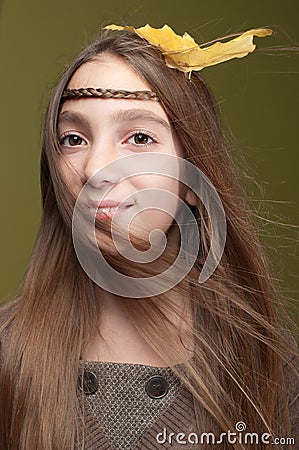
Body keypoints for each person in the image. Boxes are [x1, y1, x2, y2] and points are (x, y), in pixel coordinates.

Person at [0, 23, 298, 450]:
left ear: (195, 178)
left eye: (139, 137)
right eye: (74, 138)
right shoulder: (10, 358)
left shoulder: (267, 371)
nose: (94, 168)